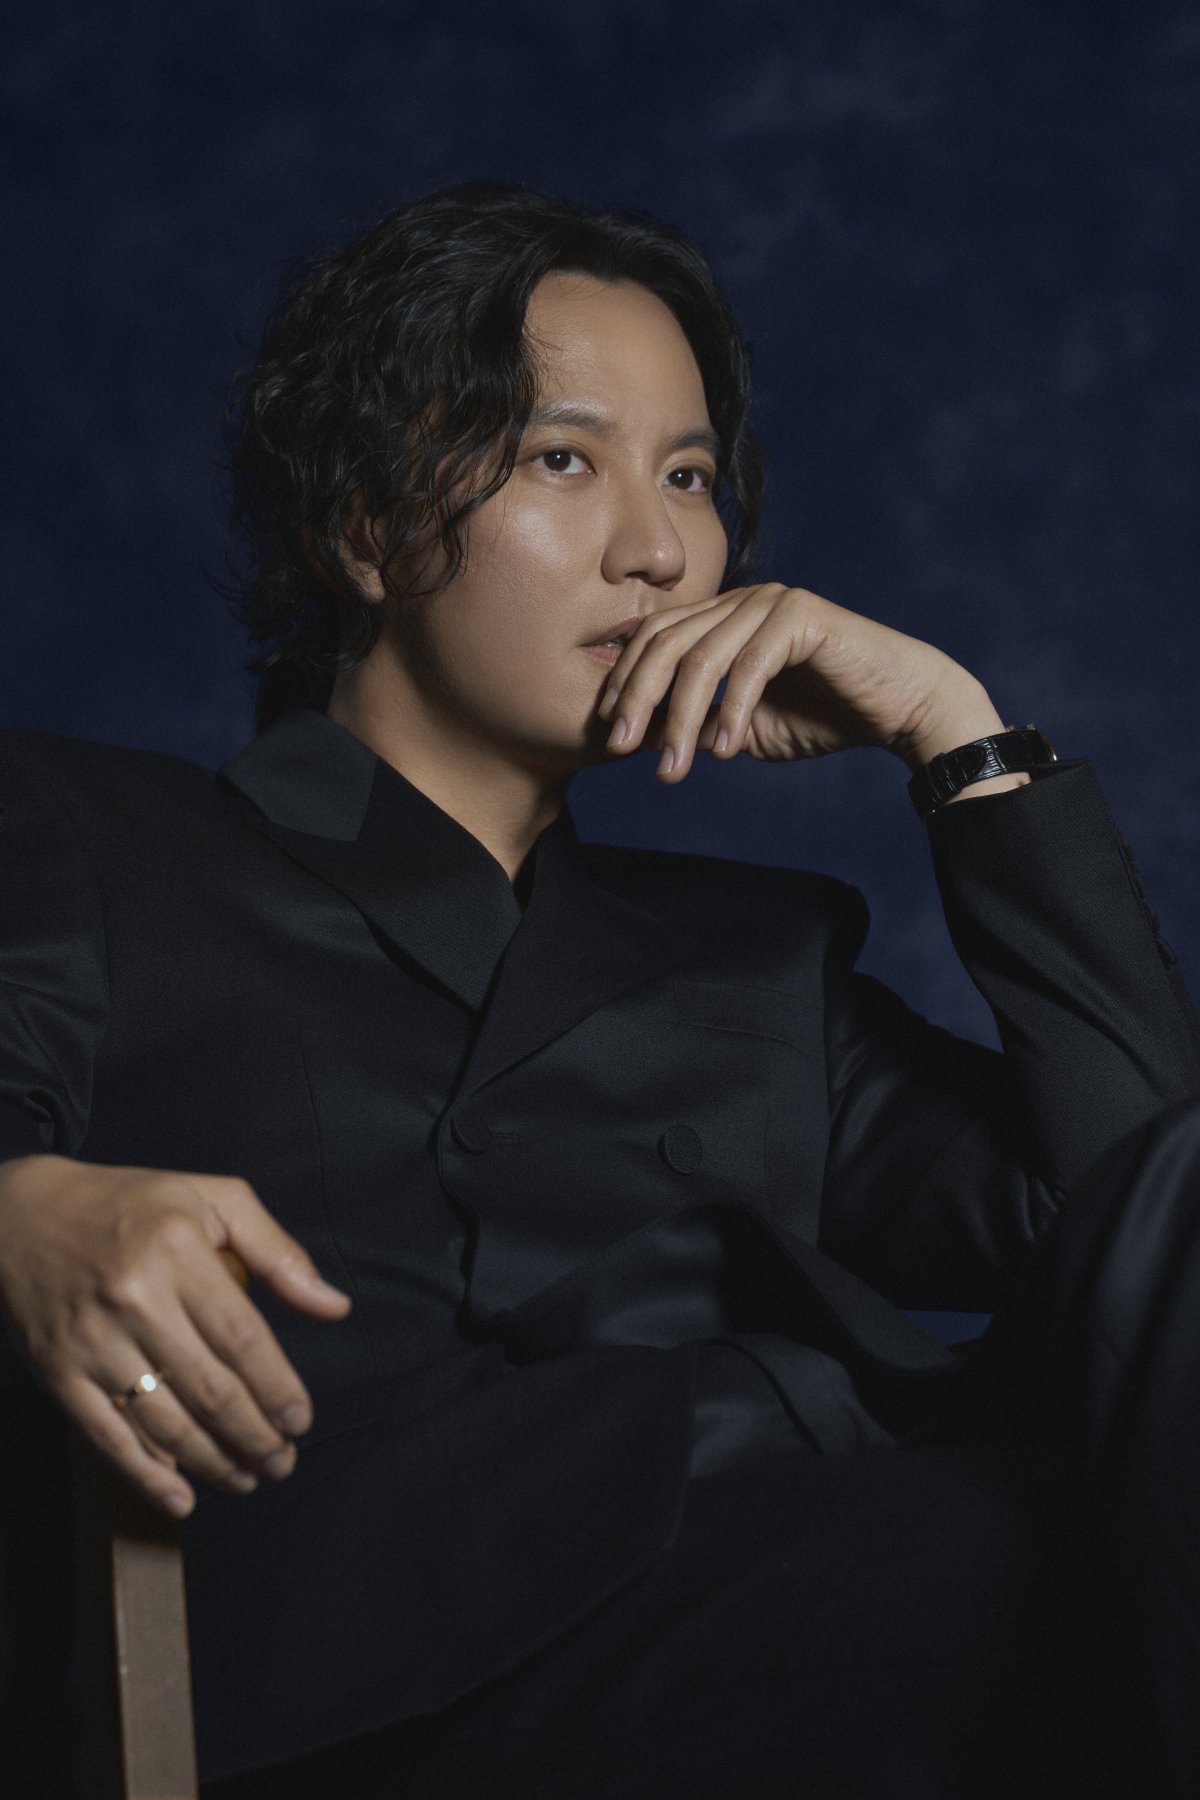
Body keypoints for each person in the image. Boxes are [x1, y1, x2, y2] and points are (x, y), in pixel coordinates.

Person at [0, 181, 1198, 1800]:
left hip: (812, 1591)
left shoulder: (758, 960)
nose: (657, 550)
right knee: (1079, 1577)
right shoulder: (84, 834)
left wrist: (962, 743)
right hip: (356, 1684)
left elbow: (1138, 1226)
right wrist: (21, 1209)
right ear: (363, 526)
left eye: (689, 477)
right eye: (565, 460)